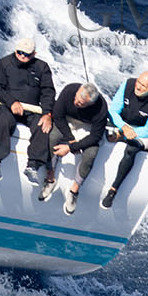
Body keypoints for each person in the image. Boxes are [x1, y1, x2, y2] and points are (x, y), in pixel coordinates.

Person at [0, 38, 56, 184]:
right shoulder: (4, 64)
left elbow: (48, 92)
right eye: (20, 53)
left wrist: (47, 113)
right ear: (15, 50)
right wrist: (11, 102)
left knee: (43, 126)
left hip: (32, 110)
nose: (23, 57)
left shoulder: (42, 67)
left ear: (34, 54)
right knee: (3, 120)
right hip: (9, 107)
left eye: (27, 54)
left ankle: (33, 165)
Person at [41, 81, 109, 215]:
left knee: (91, 154)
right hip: (67, 122)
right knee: (52, 138)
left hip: (87, 128)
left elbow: (95, 136)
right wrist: (70, 137)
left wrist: (71, 147)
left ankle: (74, 191)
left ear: (90, 104)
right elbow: (58, 115)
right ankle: (50, 179)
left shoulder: (101, 109)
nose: (76, 102)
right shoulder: (69, 90)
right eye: (76, 98)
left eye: (81, 103)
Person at [101, 71, 148, 208]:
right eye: (139, 82)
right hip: (121, 124)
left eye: (144, 86)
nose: (138, 87)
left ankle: (113, 190)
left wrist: (128, 133)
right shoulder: (128, 84)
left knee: (131, 150)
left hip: (142, 133)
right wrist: (123, 128)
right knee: (98, 132)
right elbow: (113, 111)